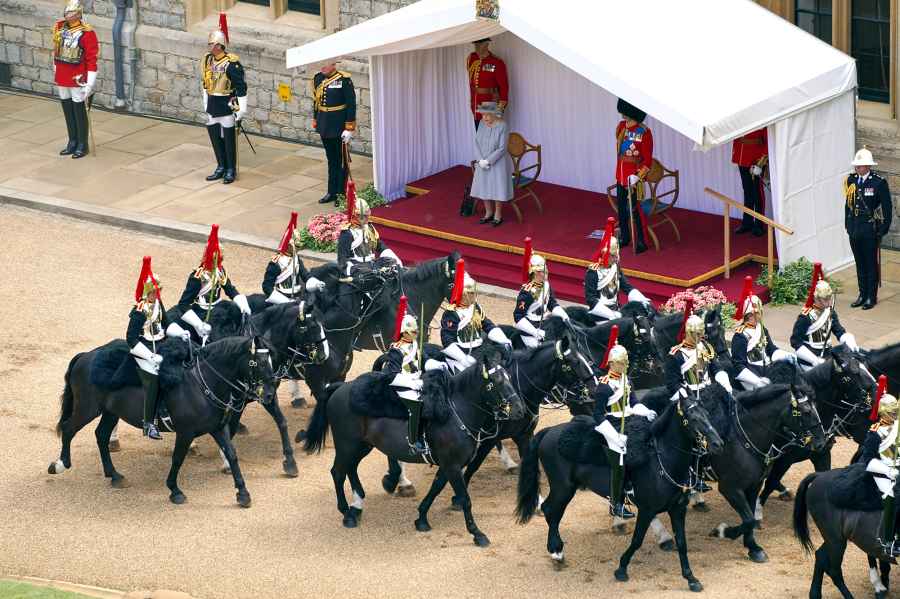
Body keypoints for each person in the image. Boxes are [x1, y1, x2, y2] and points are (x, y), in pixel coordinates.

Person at [593, 331, 657, 519]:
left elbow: (634, 403)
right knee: (619, 463)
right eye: (621, 363)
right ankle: (616, 503)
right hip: (610, 424)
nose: (624, 366)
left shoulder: (626, 380)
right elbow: (597, 415)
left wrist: (646, 411)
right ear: (612, 363)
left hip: (629, 419)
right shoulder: (604, 386)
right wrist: (614, 437)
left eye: (625, 363)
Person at [126, 257, 191, 439]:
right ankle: (149, 422)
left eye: (158, 290)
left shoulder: (158, 304)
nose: (157, 294)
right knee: (154, 378)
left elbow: (167, 324)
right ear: (148, 292)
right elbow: (130, 338)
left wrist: (180, 332)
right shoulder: (140, 311)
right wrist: (149, 356)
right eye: (154, 291)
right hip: (144, 348)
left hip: (161, 343)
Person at [177, 224, 251, 342]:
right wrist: (198, 324)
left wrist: (242, 304)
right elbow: (183, 304)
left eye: (221, 259)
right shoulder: (197, 277)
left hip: (219, 306)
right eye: (218, 259)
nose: (219, 262)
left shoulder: (220, 271)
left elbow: (230, 290)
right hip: (203, 312)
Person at [440, 259, 511, 373]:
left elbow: (487, 325)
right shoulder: (451, 314)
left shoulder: (475, 307)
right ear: (463, 294)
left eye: (474, 292)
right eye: (471, 293)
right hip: (460, 355)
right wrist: (463, 359)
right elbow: (447, 341)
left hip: (478, 350)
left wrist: (503, 340)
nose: (474, 296)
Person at [845, 148, 893, 310]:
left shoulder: (878, 182)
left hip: (869, 229)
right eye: (856, 166)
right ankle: (862, 294)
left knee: (870, 264)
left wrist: (882, 230)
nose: (858, 168)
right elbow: (848, 205)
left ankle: (871, 297)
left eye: (861, 166)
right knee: (859, 263)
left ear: (868, 166)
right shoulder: (851, 181)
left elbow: (887, 208)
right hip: (855, 229)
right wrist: (848, 225)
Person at [729, 276, 794, 390]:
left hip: (768, 368)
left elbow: (771, 349)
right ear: (750, 315)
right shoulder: (740, 336)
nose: (761, 315)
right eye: (759, 312)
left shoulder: (761, 328)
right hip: (752, 372)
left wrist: (786, 355)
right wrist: (756, 380)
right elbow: (738, 364)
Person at [201, 28, 248, 185]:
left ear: (219, 46)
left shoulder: (231, 64)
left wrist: (242, 109)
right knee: (215, 136)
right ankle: (221, 165)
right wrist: (205, 101)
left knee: (228, 139)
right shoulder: (208, 60)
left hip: (226, 103)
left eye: (212, 44)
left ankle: (230, 169)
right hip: (212, 102)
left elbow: (241, 87)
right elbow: (205, 82)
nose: (210, 47)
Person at [790, 262, 858, 370]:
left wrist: (849, 340)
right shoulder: (805, 318)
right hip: (810, 361)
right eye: (825, 299)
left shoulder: (830, 313)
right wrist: (814, 360)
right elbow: (795, 342)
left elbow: (839, 331)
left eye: (830, 298)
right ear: (816, 299)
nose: (829, 302)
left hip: (828, 357)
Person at [379, 299, 426, 454]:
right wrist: (413, 383)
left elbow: (419, 361)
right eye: (413, 332)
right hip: (401, 385)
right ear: (404, 332)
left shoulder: (414, 344)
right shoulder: (396, 349)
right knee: (416, 406)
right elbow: (391, 375)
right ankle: (413, 441)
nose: (416, 334)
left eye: (416, 331)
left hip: (416, 380)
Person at [53, 0, 98, 159]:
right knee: (67, 108)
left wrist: (90, 82)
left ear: (79, 14)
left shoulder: (87, 32)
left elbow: (92, 59)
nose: (68, 15)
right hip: (62, 74)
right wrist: (56, 68)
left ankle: (82, 143)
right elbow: (57, 49)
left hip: (77, 76)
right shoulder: (59, 27)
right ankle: (72, 140)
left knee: (79, 110)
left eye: (71, 13)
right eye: (67, 12)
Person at [584, 217, 651, 321]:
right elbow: (591, 299)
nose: (616, 259)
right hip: (599, 315)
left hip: (616, 311)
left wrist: (642, 299)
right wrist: (610, 315)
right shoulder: (593, 272)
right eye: (613, 256)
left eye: (617, 255)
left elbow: (626, 287)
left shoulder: (615, 267)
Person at [312, 61, 356, 205]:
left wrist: (349, 127)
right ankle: (331, 192)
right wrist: (315, 119)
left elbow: (351, 104)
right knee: (331, 160)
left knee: (342, 162)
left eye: (325, 64)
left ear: (333, 65)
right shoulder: (318, 78)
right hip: (324, 124)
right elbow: (316, 102)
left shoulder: (344, 80)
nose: (322, 67)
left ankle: (340, 194)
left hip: (338, 126)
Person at [862, 390, 900, 556]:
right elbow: (867, 460)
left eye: (896, 412)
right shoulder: (875, 431)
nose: (895, 415)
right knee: (894, 499)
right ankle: (890, 541)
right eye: (892, 412)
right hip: (884, 472)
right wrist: (889, 471)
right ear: (883, 412)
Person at [665, 309, 732, 402]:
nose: (701, 336)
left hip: (709, 391)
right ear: (689, 332)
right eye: (697, 334)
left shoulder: (705, 346)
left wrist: (724, 381)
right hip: (689, 396)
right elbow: (673, 383)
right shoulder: (675, 354)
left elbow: (716, 367)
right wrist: (686, 398)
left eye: (702, 332)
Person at [614, 98, 652, 254]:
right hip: (621, 175)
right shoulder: (621, 127)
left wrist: (637, 176)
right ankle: (625, 236)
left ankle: (642, 240)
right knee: (622, 209)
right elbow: (620, 153)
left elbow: (647, 161)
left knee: (637, 210)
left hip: (637, 179)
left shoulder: (644, 132)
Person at [514, 250, 570, 348]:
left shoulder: (546, 285)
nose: (546, 272)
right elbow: (518, 316)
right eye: (542, 271)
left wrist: (564, 316)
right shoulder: (527, 292)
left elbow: (552, 303)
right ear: (535, 272)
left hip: (544, 324)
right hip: (530, 330)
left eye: (545, 269)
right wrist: (535, 332)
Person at [471, 102, 513, 226]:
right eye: (483, 115)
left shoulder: (503, 126)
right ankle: (488, 212)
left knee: (497, 187)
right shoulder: (482, 125)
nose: (484, 118)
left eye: (488, 115)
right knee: (483, 186)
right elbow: (476, 143)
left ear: (495, 114)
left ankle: (498, 214)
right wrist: (480, 160)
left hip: (497, 162)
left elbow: (502, 148)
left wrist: (488, 161)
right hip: (481, 161)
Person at [336, 196, 402, 276]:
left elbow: (379, 246)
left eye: (367, 215)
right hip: (357, 267)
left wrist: (393, 258)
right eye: (362, 216)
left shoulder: (370, 227)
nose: (366, 218)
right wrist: (354, 271)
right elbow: (342, 259)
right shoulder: (347, 233)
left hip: (372, 264)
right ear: (354, 216)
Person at [263, 211, 314, 304]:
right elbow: (267, 287)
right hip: (281, 299)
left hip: (298, 296)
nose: (297, 249)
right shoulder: (276, 263)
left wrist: (314, 282)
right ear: (289, 245)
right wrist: (285, 302)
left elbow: (305, 274)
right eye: (296, 246)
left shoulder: (296, 258)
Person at [731, 128, 769, 236]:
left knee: (757, 193)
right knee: (747, 192)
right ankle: (747, 222)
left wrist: (764, 158)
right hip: (742, 158)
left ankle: (759, 224)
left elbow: (764, 139)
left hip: (756, 159)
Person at [467, 38, 508, 129]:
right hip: (476, 103)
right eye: (475, 44)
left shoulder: (496, 62)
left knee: (490, 138)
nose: (476, 47)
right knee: (480, 136)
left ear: (486, 44)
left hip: (489, 105)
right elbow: (471, 83)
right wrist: (472, 102)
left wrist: (499, 110)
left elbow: (504, 87)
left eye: (480, 44)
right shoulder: (472, 59)